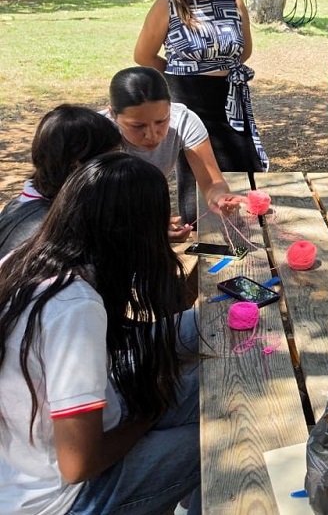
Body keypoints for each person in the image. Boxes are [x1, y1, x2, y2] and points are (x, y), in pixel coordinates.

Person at [0, 153, 201, 514]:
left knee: (205, 371)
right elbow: (78, 464)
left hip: (22, 468)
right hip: (63, 498)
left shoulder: (21, 261)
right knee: (214, 439)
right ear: (132, 235)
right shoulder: (74, 308)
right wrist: (149, 415)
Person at [134, 0, 267, 222]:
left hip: (230, 99)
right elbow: (143, 56)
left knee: (241, 170)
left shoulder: (233, 1)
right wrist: (181, 73)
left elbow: (243, 51)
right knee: (199, 180)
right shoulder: (168, 5)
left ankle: (247, 231)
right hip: (189, 99)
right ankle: (204, 234)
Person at [103, 66, 244, 235]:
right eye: (137, 126)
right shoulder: (95, 133)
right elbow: (90, 205)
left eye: (161, 121)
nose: (152, 135)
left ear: (170, 107)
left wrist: (219, 198)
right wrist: (145, 227)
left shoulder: (183, 121)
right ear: (113, 114)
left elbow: (211, 182)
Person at [0, 105, 121, 258]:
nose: (119, 170)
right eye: (112, 161)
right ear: (78, 167)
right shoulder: (53, 234)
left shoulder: (20, 206)